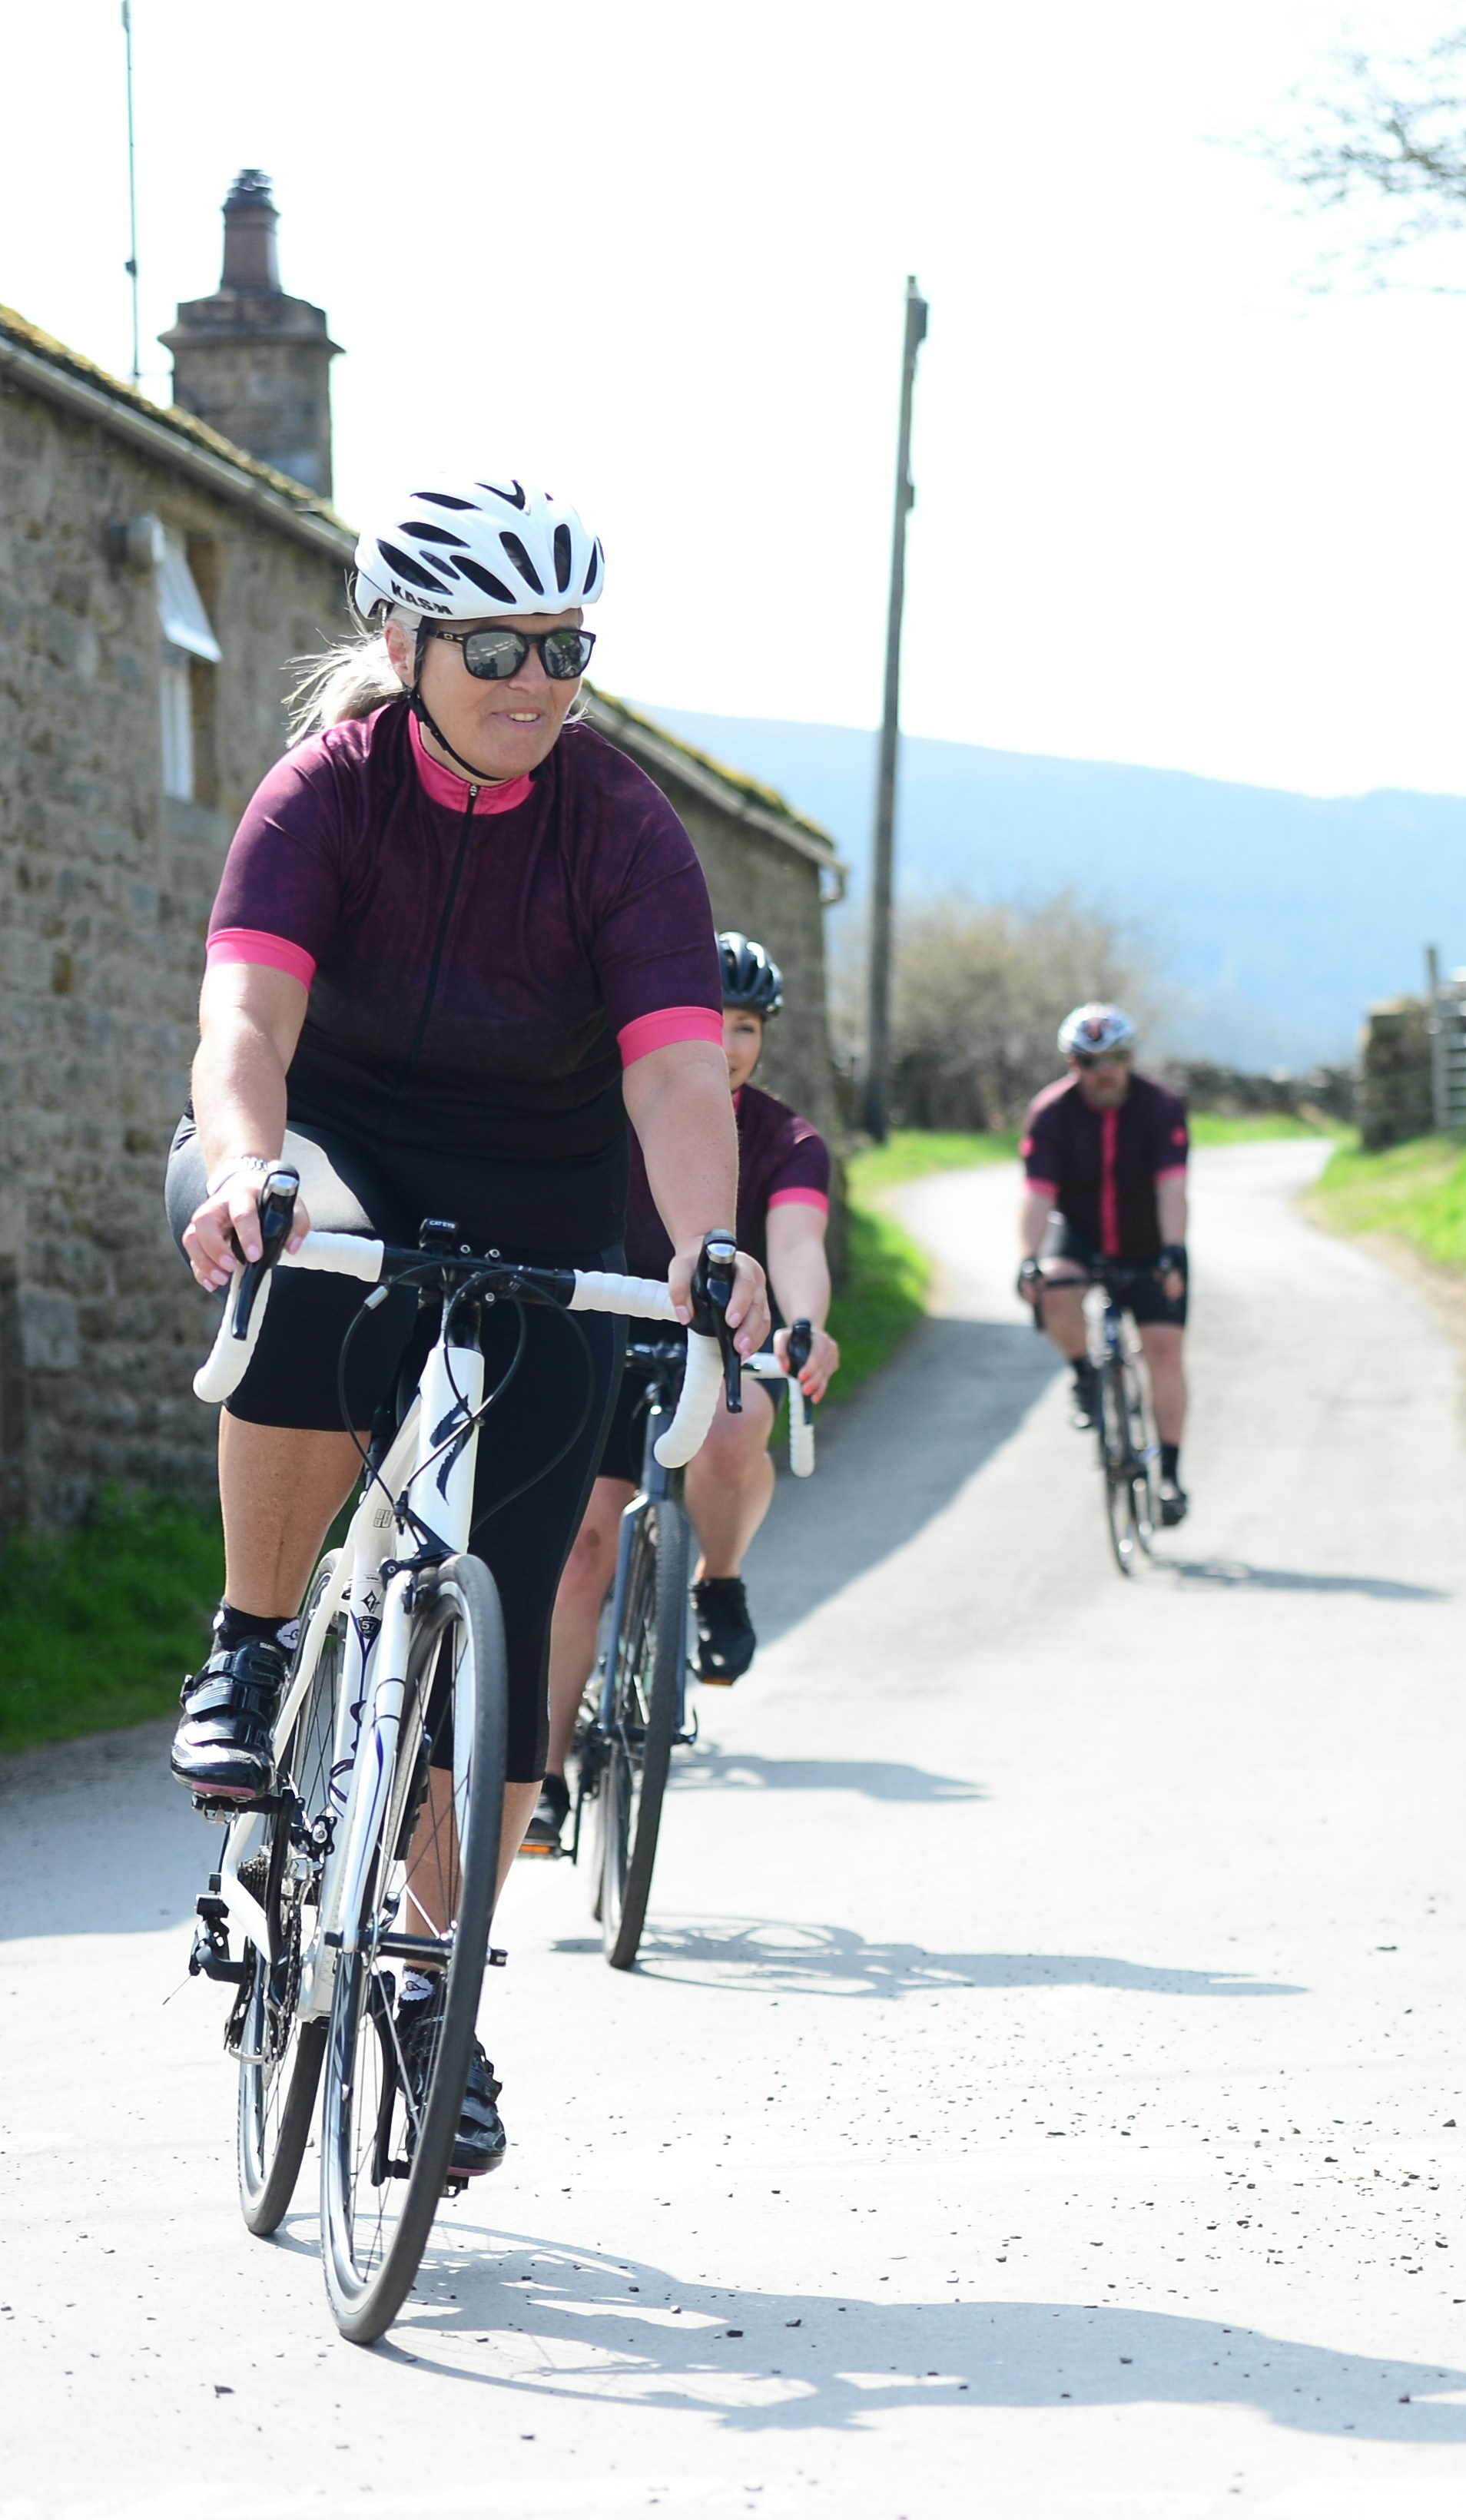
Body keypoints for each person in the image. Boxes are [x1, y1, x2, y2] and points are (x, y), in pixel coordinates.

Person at [166, 479, 771, 2177]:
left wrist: (707, 1241)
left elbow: (667, 1067)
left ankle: (439, 1983)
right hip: (328, 1142)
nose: (536, 680)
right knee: (310, 1262)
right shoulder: (324, 796)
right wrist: (247, 1166)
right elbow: (246, 1015)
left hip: (539, 1192)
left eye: (566, 648)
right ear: (404, 641)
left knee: (503, 1650)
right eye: (496, 646)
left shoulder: (622, 824)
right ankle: (254, 1638)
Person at [525, 932, 839, 1859]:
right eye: (713, 1021)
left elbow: (795, 1244)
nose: (729, 1043)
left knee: (739, 1425)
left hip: (712, 1338)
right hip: (598, 1329)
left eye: (745, 1027)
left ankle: (721, 1582)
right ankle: (543, 1776)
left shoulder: (786, 1139)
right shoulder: (604, 1099)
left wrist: (805, 1322)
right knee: (580, 1556)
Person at [1013, 1005, 1192, 1524]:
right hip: (1082, 1235)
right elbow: (1037, 1197)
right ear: (1071, 1064)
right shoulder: (1050, 1113)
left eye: (1113, 1059)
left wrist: (1174, 1251)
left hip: (1151, 1238)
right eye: (1088, 1061)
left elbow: (1173, 1188)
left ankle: (1171, 1476)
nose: (1103, 1072)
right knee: (1051, 1287)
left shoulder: (1161, 1106)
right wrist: (1027, 1259)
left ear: (1130, 1058)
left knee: (1164, 1351)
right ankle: (1084, 1375)